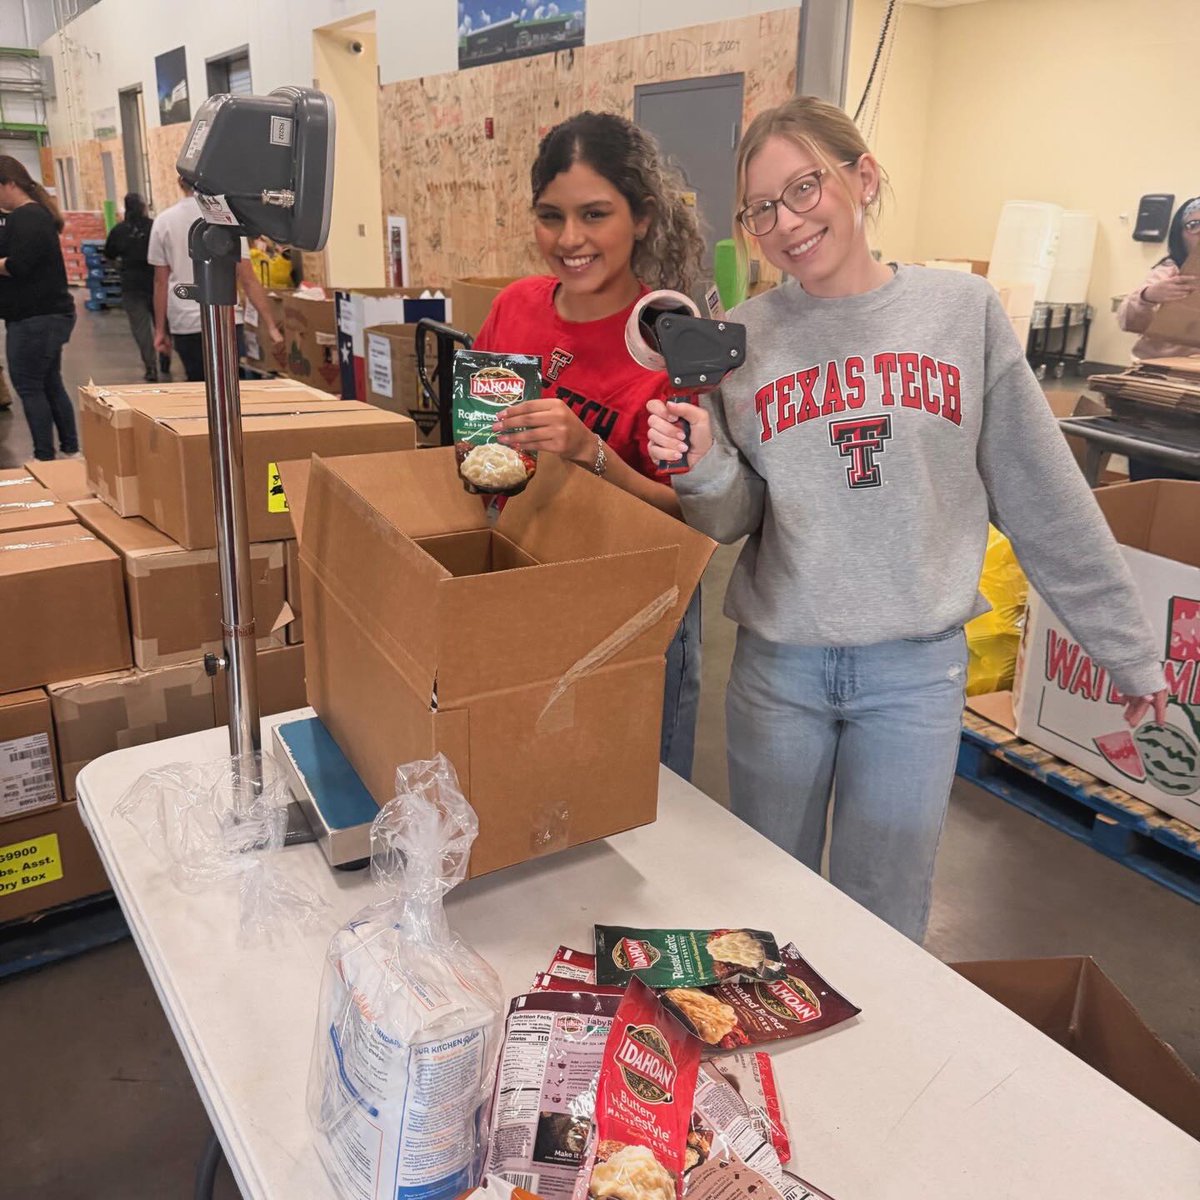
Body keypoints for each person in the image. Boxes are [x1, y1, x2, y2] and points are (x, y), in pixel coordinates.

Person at [647, 96, 1168, 942]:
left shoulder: (961, 314)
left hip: (914, 676)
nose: (787, 222)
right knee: (763, 909)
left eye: (805, 187)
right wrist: (703, 462)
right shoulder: (744, 337)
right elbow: (739, 516)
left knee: (884, 922)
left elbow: (1041, 493)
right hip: (780, 669)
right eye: (761, 208)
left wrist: (1125, 646)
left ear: (864, 177)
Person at [476, 111, 707, 780]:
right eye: (551, 216)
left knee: (634, 794)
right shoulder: (515, 307)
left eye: (595, 215)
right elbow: (475, 440)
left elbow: (690, 515)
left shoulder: (672, 342)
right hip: (527, 583)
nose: (569, 239)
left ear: (642, 218)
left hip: (635, 612)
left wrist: (589, 452)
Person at [149, 175, 282, 382]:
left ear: (180, 184)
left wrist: (160, 330)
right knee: (231, 383)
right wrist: (271, 326)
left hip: (185, 322)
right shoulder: (224, 218)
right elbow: (248, 279)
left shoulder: (163, 221)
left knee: (197, 385)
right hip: (226, 318)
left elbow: (161, 282)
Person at [0, 155, 79, 460]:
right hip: (44, 316)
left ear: (9, 184)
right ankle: (69, 450)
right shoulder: (34, 216)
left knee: (29, 386)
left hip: (34, 318)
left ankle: (44, 456)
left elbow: (19, 265)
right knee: (49, 382)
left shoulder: (26, 218)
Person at [1116, 196, 1199, 362]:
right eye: (1195, 225)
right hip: (1160, 365)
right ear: (1179, 234)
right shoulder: (1169, 272)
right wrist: (1147, 296)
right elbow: (1127, 322)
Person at [104, 193, 158, 381]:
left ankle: (151, 366)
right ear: (143, 207)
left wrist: (120, 267)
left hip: (131, 284)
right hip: (155, 281)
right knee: (162, 323)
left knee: (140, 328)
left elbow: (109, 255)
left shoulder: (119, 230)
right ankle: (165, 356)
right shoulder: (154, 227)